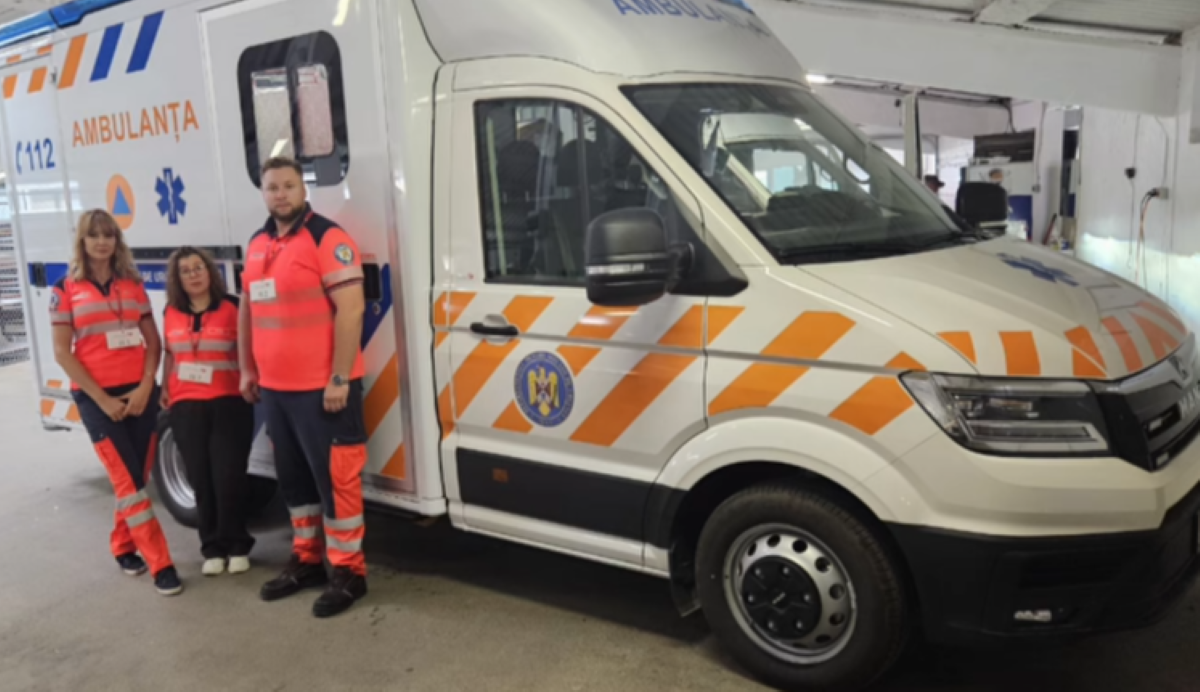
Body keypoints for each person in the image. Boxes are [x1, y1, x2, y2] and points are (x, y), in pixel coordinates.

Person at [239, 157, 369, 618]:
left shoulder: (327, 238)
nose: (281, 194)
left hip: (323, 390)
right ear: (263, 192)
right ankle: (308, 560)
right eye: (272, 187)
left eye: (289, 186)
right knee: (293, 482)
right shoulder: (257, 244)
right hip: (275, 391)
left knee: (337, 482)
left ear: (303, 190)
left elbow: (352, 310)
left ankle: (349, 572)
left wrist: (339, 377)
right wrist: (247, 368)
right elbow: (248, 308)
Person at [49, 209, 182, 596]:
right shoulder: (64, 289)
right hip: (97, 400)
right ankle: (161, 564)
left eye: (108, 235)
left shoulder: (132, 284)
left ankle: (123, 546)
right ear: (82, 241)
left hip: (140, 393)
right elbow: (63, 353)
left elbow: (153, 342)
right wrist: (103, 400)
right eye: (94, 235)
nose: (102, 242)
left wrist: (146, 386)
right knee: (128, 482)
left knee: (136, 476)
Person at [161, 247, 256, 576]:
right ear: (177, 278)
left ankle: (238, 544)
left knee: (228, 476)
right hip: (185, 404)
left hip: (229, 402)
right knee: (200, 479)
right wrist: (164, 386)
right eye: (185, 271)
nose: (193, 275)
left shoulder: (233, 306)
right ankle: (212, 548)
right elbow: (169, 353)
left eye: (198, 267)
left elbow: (249, 349)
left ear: (209, 271)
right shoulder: (171, 311)